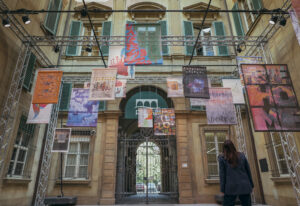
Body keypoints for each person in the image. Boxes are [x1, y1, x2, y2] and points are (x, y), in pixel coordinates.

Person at [218, 140, 254, 206]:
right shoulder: (242, 155)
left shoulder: (222, 158)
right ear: (233, 147)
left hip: (230, 187)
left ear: (224, 148)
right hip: (244, 185)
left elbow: (222, 175)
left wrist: (222, 189)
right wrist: (251, 185)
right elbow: (248, 171)